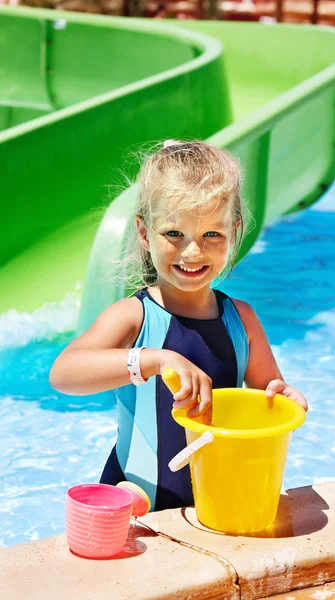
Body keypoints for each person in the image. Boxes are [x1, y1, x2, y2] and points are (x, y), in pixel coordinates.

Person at [50, 140, 308, 512]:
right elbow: (63, 374)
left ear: (234, 232)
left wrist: (286, 401)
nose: (193, 252)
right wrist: (153, 360)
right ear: (144, 233)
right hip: (138, 509)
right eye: (174, 234)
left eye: (212, 235)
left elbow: (268, 397)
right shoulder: (134, 317)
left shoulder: (242, 319)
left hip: (219, 502)